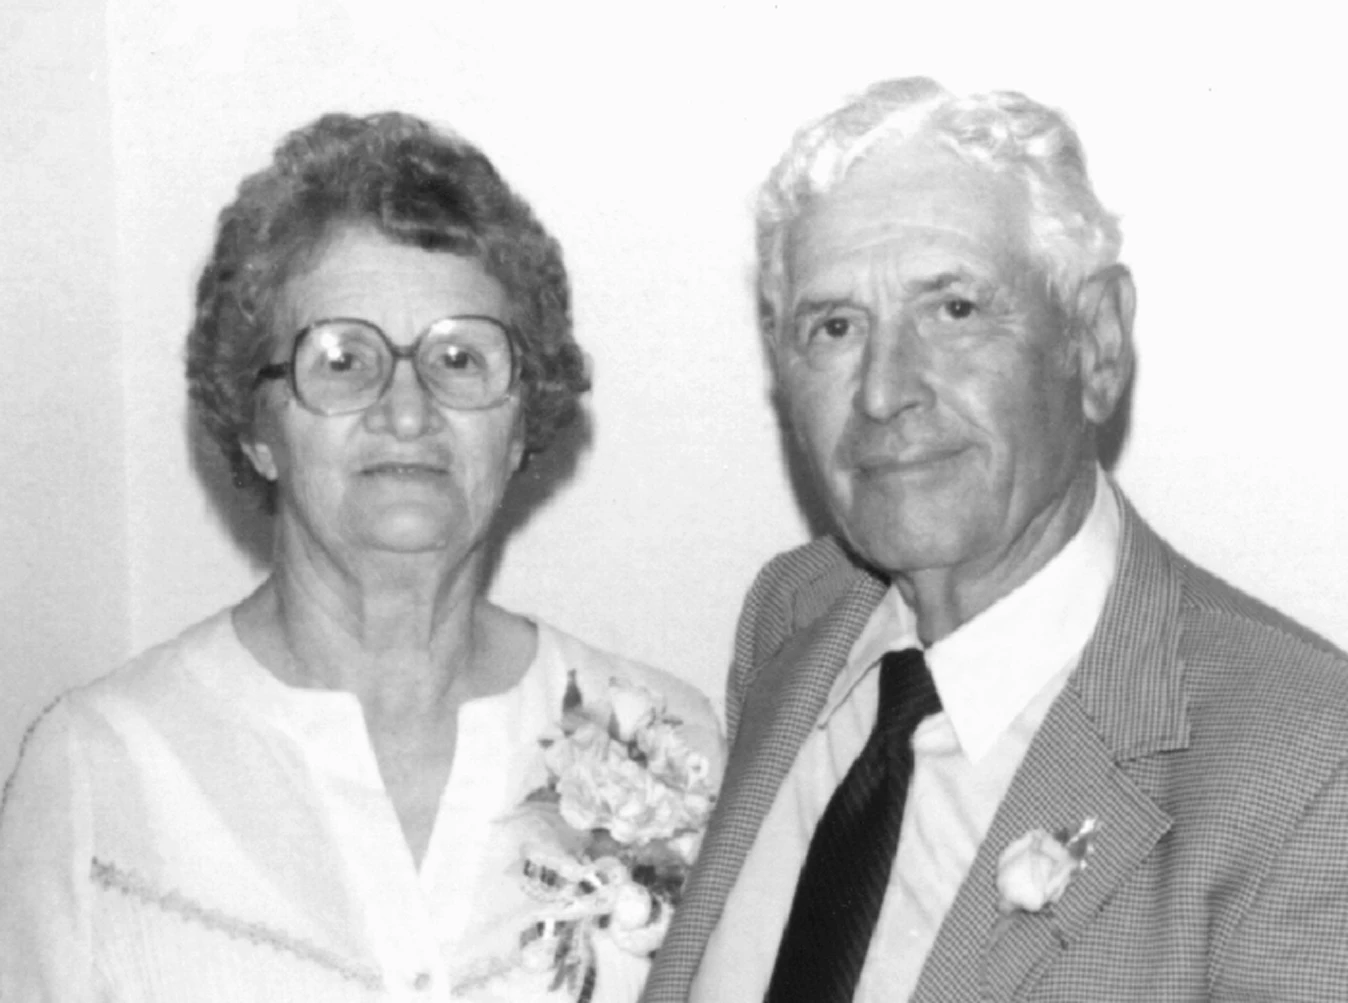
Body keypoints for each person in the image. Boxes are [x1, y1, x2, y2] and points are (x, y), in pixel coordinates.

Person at [644, 77, 1348, 1003]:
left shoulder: (1303, 768)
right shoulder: (793, 615)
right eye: (836, 326)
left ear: (1095, 343)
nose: (885, 389)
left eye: (956, 310)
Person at [0, 112, 720, 1003]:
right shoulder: (97, 770)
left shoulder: (675, 756)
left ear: (522, 419)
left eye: (461, 357)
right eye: (343, 359)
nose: (407, 410)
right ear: (259, 425)